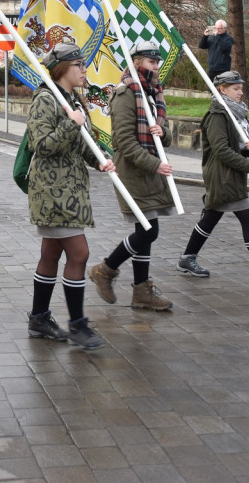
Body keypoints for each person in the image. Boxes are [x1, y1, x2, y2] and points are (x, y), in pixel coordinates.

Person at [25, 42, 115, 350]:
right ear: (63, 69)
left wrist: (99, 160)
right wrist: (70, 123)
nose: (85, 70)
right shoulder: (46, 99)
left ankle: (39, 319)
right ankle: (77, 325)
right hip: (53, 192)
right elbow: (42, 145)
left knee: (51, 254)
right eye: (79, 65)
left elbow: (81, 143)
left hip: (72, 189)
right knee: (79, 254)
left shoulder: (72, 98)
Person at [177, 71, 249, 283]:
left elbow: (238, 145)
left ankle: (187, 258)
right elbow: (221, 150)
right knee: (247, 217)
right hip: (222, 176)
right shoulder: (217, 115)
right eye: (235, 88)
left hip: (232, 174)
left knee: (211, 217)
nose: (241, 92)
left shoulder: (237, 113)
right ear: (222, 89)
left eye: (241, 88)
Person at [88, 41, 175, 312]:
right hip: (135, 170)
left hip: (151, 168)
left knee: (145, 229)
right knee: (149, 230)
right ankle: (106, 269)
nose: (156, 67)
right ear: (137, 62)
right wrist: (154, 164)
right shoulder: (126, 93)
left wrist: (163, 133)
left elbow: (166, 134)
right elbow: (123, 141)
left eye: (157, 62)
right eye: (151, 62)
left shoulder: (153, 93)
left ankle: (141, 291)